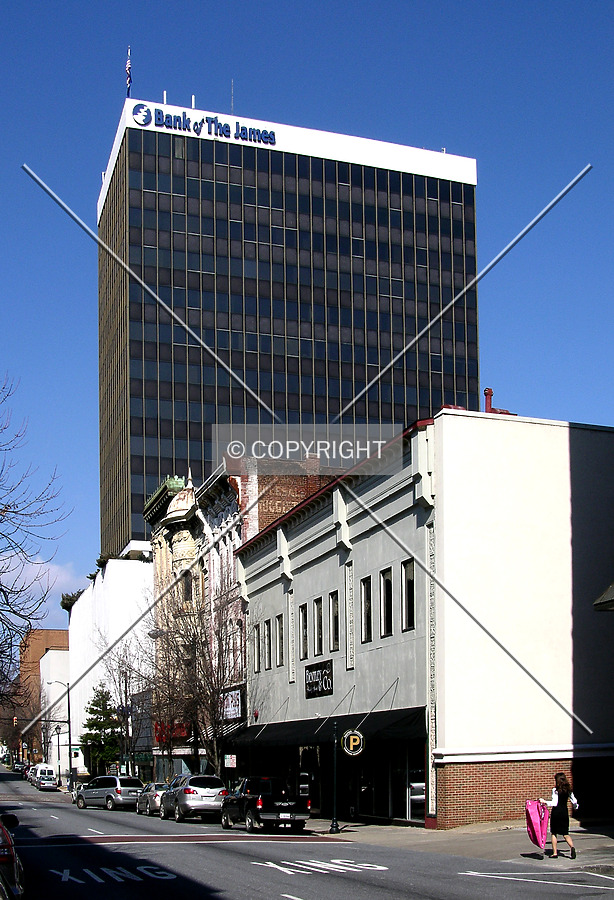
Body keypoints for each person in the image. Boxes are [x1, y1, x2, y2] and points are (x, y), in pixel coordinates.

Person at [540, 772, 579, 858]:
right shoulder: (568, 790)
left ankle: (554, 853)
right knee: (565, 833)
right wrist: (576, 807)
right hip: (564, 812)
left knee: (554, 833)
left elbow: (555, 803)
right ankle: (572, 847)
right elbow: (574, 801)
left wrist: (545, 802)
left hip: (556, 813)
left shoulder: (555, 790)